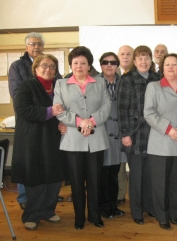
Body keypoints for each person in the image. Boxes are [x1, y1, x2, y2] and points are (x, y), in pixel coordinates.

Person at [54, 46, 111, 230]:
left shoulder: (100, 83)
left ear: (89, 65)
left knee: (95, 180)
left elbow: (106, 106)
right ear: (71, 65)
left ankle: (95, 216)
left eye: (83, 63)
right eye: (75, 63)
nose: (79, 66)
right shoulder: (61, 84)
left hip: (96, 139)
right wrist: (80, 122)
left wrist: (91, 122)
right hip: (72, 140)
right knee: (77, 182)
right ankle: (79, 218)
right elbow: (59, 110)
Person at [8, 32, 63, 210]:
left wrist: (63, 121)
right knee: (33, 175)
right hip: (32, 135)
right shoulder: (24, 80)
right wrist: (48, 111)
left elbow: (65, 106)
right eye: (44, 66)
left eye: (52, 67)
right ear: (36, 68)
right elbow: (21, 107)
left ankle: (48, 211)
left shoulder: (58, 85)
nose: (48, 69)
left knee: (53, 174)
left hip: (53, 136)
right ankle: (31, 212)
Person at [144, 53, 177, 230]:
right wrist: (169, 129)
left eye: (174, 65)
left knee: (176, 183)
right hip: (160, 142)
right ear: (162, 68)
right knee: (160, 183)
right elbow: (149, 112)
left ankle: (174, 214)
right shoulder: (153, 87)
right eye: (167, 65)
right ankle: (162, 216)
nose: (170, 68)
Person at [118, 45, 160, 225]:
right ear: (134, 62)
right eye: (140, 58)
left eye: (147, 58)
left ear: (151, 61)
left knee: (151, 174)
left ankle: (149, 207)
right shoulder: (127, 80)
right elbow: (121, 109)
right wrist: (125, 134)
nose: (144, 61)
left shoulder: (157, 79)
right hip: (134, 135)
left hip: (154, 134)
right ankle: (136, 211)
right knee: (135, 176)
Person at [97, 52, 126, 219]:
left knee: (114, 172)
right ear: (101, 65)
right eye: (105, 62)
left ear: (118, 65)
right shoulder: (94, 83)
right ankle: (101, 206)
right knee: (101, 174)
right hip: (100, 133)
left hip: (117, 135)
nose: (109, 65)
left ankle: (112, 206)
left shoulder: (123, 83)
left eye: (113, 62)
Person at [116, 45, 134, 205]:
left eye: (129, 54)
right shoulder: (112, 74)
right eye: (122, 54)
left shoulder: (137, 76)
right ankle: (119, 196)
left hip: (134, 130)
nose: (125, 56)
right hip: (113, 129)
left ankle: (134, 198)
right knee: (118, 165)